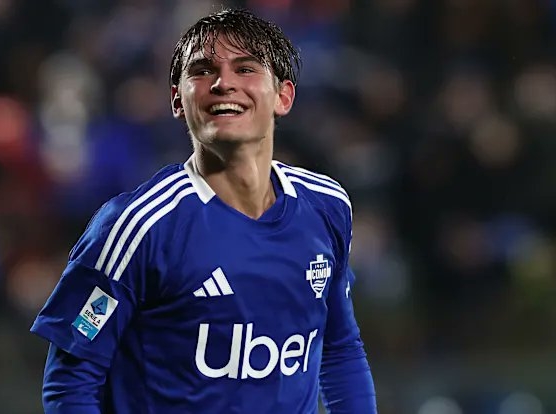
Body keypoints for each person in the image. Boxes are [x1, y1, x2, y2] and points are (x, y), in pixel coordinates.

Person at [31, 8, 377, 414]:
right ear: (178, 100)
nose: (223, 83)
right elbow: (71, 381)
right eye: (202, 70)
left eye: (245, 69)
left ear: (283, 96)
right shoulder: (139, 227)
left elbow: (339, 348)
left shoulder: (326, 206)